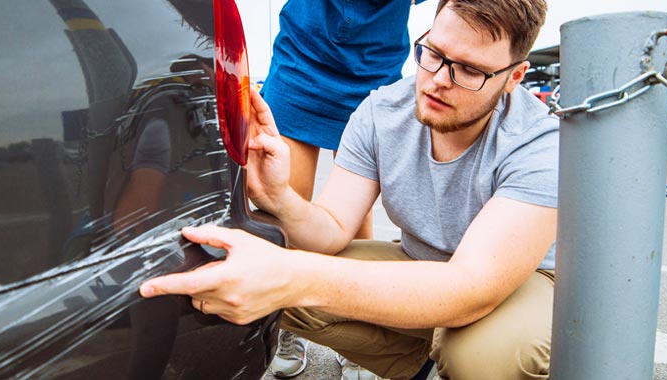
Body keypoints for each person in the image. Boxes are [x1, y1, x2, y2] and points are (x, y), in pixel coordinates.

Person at [140, 0, 555, 379]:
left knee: (492, 353)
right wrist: (279, 197)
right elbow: (334, 228)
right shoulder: (381, 111)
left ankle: (463, 359)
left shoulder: (538, 142)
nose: (438, 81)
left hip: (517, 282)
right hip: (424, 264)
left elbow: (471, 288)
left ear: (513, 77)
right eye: (433, 54)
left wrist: (292, 276)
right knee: (272, 270)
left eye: (468, 70)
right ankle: (422, 367)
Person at [259, 1, 426, 378]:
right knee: (284, 207)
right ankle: (286, 325)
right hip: (304, 53)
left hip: (373, 64)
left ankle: (361, 337)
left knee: (354, 216)